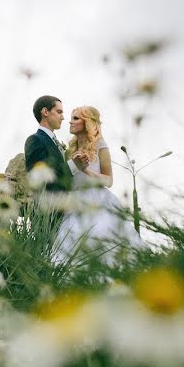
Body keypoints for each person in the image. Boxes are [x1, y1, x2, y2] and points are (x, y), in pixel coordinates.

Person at [54, 106, 143, 265]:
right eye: (71, 117)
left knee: (101, 242)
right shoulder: (70, 149)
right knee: (71, 248)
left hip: (97, 200)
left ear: (87, 122)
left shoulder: (101, 145)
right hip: (74, 204)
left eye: (76, 118)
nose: (70, 121)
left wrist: (86, 170)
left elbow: (109, 181)